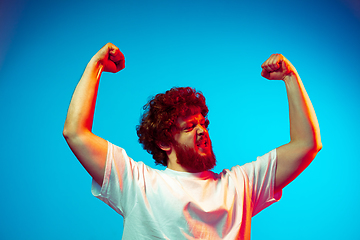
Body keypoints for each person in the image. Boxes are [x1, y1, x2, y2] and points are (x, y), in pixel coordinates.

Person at [63, 43, 322, 240]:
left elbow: (307, 145)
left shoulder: (240, 184)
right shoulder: (135, 183)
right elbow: (75, 133)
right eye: (190, 126)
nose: (201, 130)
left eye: (203, 124)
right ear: (165, 142)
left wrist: (291, 77)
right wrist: (96, 65)